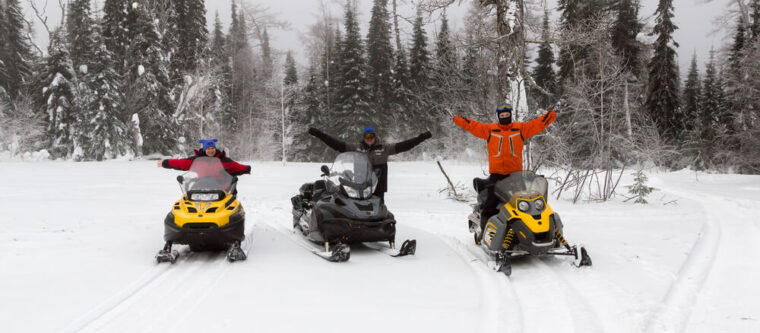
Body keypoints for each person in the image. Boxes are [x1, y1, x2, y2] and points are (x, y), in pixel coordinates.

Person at [452, 102, 559, 227]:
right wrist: (456, 118)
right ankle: (484, 229)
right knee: (490, 204)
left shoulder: (520, 128)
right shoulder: (490, 130)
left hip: (516, 176)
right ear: (498, 116)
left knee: (526, 204)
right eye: (502, 115)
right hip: (497, 176)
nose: (504, 117)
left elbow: (539, 124)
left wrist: (553, 114)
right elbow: (472, 125)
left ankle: (530, 229)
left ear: (510, 115)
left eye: (507, 114)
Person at [308, 126, 432, 201]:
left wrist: (421, 138)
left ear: (375, 136)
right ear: (363, 137)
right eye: (367, 136)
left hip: (378, 186)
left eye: (371, 136)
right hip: (359, 187)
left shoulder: (385, 148)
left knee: (378, 210)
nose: (369, 139)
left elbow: (405, 145)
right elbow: (336, 144)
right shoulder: (356, 148)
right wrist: (319, 134)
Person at [157, 138, 252, 176]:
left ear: (215, 148)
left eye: (212, 148)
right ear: (204, 150)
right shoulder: (197, 160)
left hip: (222, 189)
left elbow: (235, 166)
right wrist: (165, 163)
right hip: (201, 188)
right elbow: (181, 163)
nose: (210, 150)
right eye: (208, 149)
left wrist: (247, 169)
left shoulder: (224, 160)